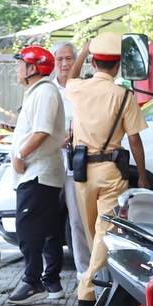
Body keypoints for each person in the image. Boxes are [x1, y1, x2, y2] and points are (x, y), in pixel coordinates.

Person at [67, 32, 148, 306]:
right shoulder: (124, 96)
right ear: (117, 66)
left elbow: (69, 78)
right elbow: (135, 139)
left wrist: (83, 51)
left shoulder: (78, 89)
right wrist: (144, 175)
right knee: (104, 230)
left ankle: (92, 285)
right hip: (112, 172)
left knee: (95, 231)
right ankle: (89, 286)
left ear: (94, 62)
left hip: (81, 172)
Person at [7, 44, 68, 305]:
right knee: (48, 228)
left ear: (32, 68)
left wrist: (20, 156)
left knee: (27, 228)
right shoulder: (38, 92)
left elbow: (41, 132)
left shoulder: (44, 92)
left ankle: (33, 281)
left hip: (38, 172)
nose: (18, 69)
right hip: (39, 172)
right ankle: (52, 282)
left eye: (21, 64)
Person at [51, 41, 87, 278]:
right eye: (60, 59)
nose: (64, 64)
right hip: (51, 164)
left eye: (69, 59)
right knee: (47, 222)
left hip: (78, 164)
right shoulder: (46, 89)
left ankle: (84, 272)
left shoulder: (85, 89)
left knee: (78, 220)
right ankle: (48, 276)